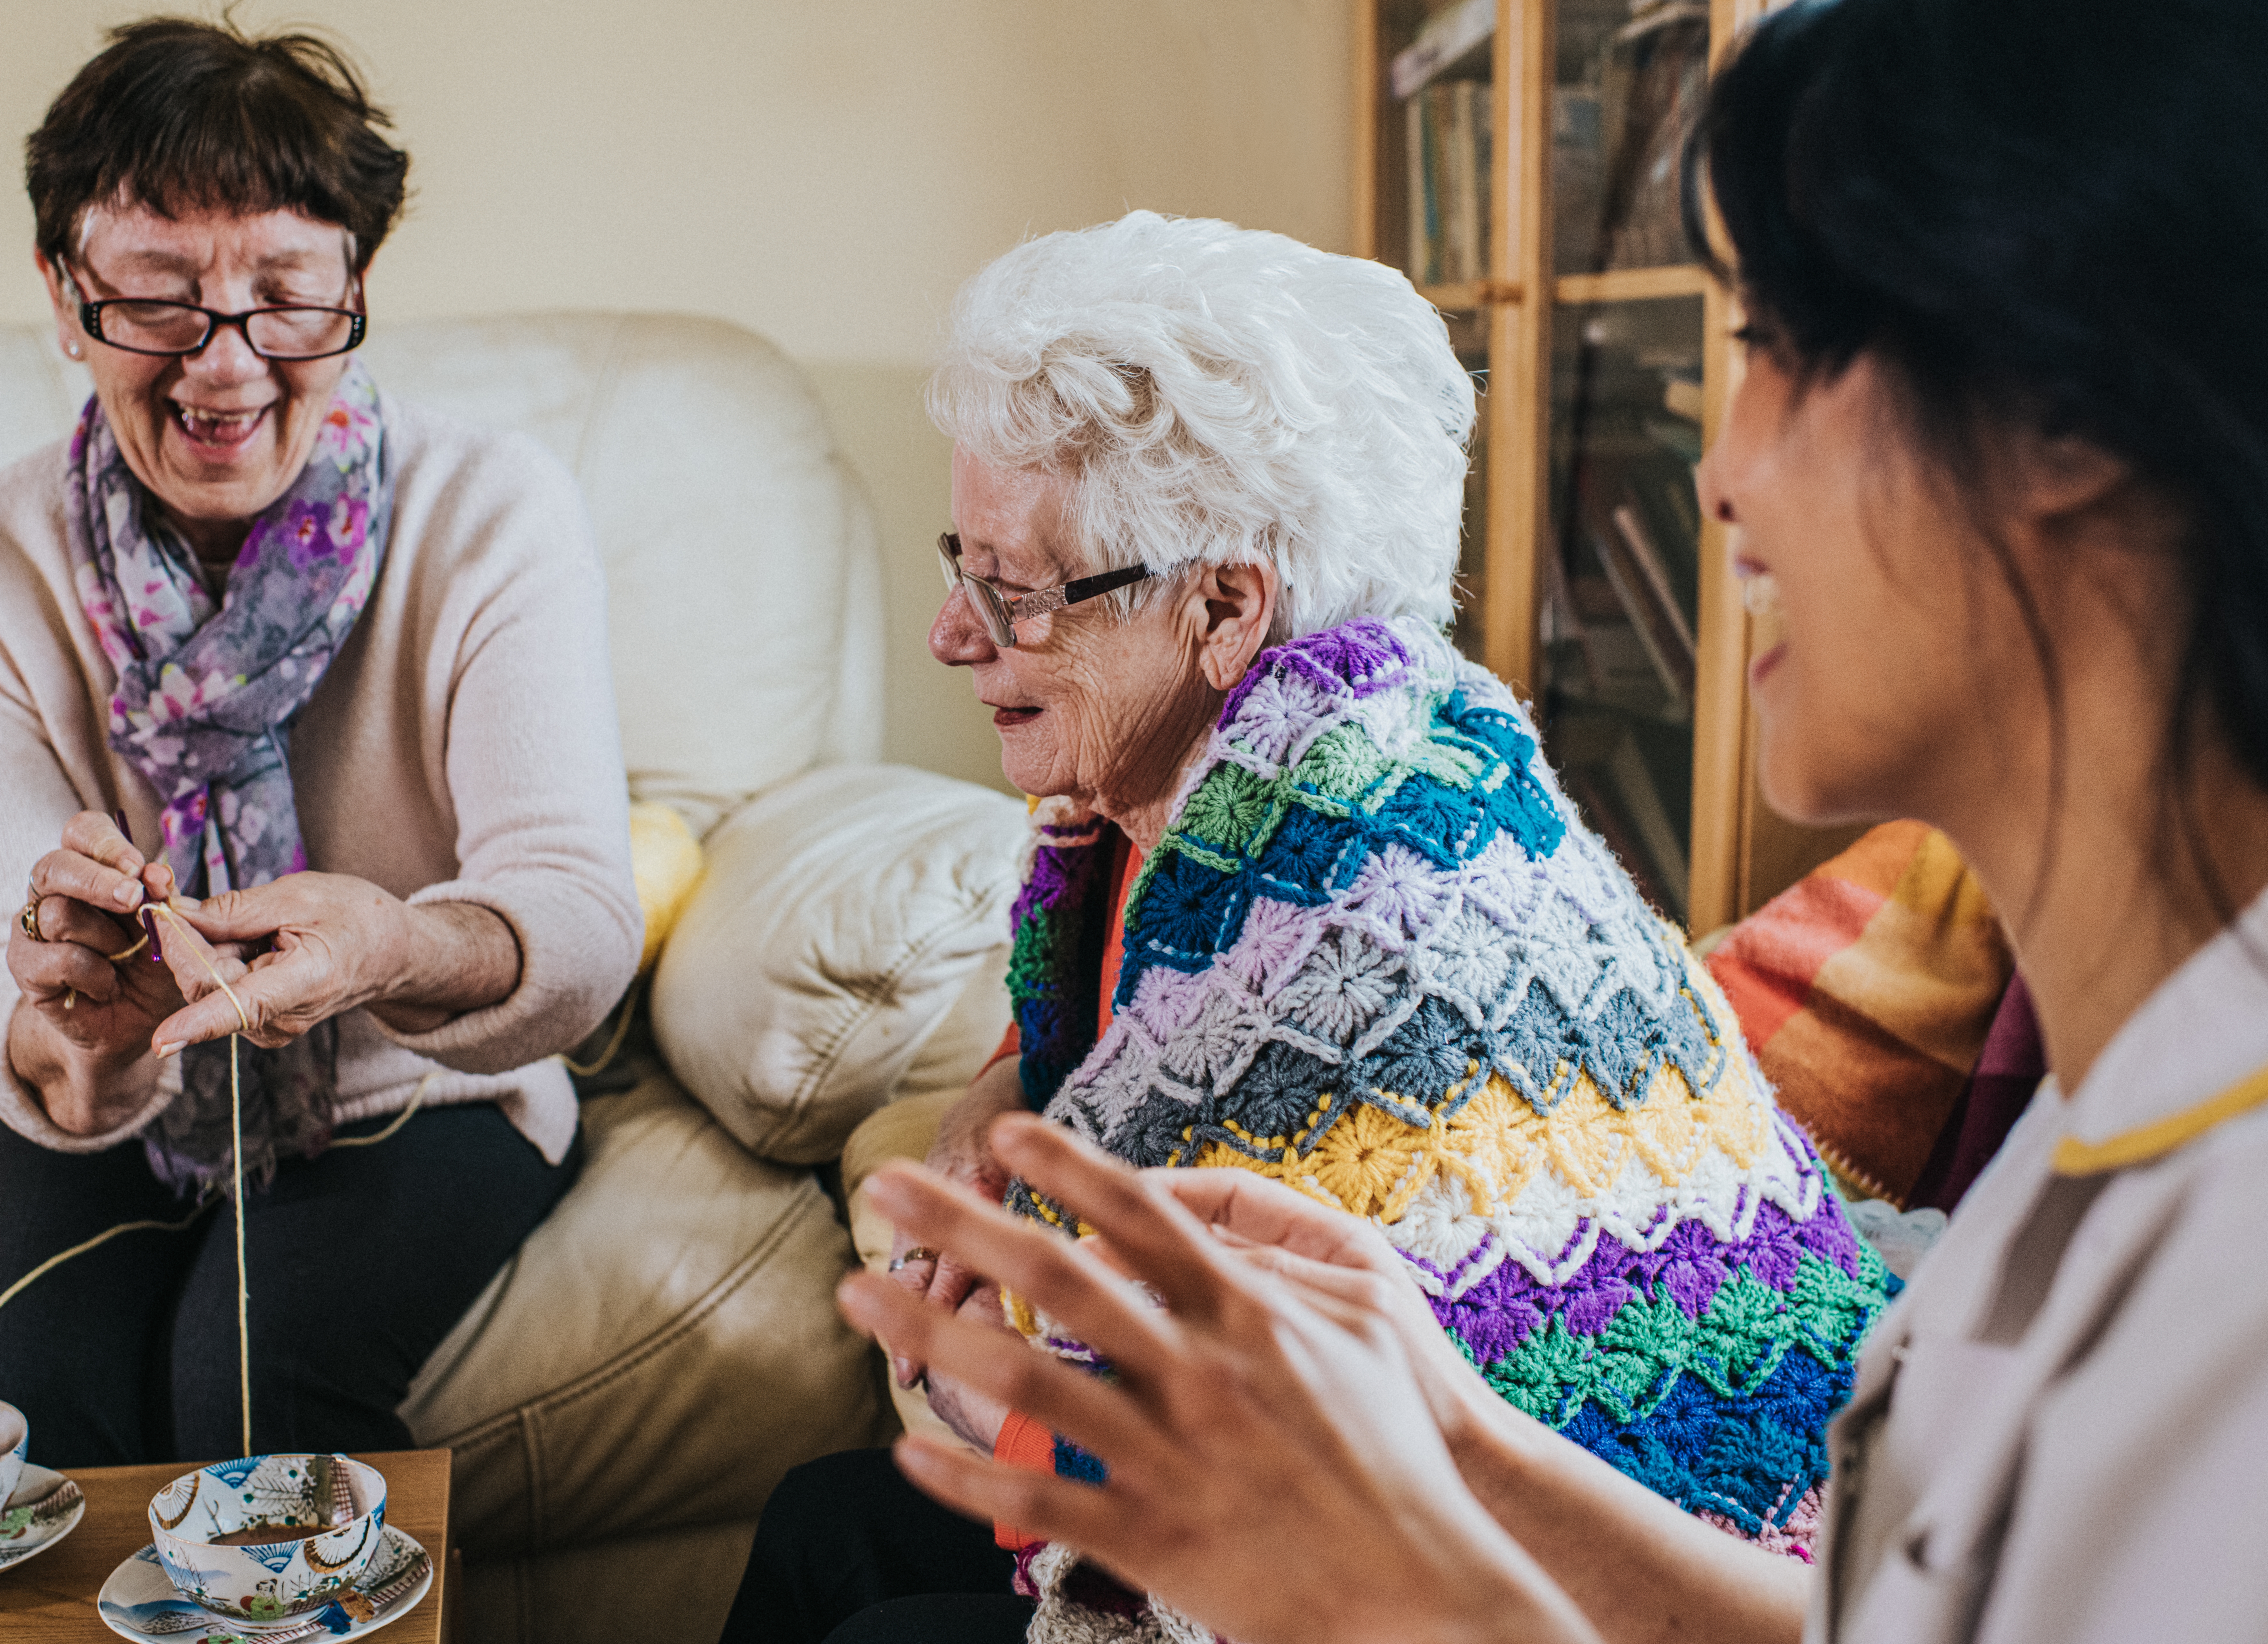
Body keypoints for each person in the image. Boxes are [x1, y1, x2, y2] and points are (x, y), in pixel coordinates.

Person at [841, 0, 2268, 1639]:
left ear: (2070, 410)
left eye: (1784, 347)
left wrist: (1430, 1558)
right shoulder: (2123, 1116)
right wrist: (1447, 1439)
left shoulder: (2215, 1276)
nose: (1717, 473)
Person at [724, 212, 1890, 1644]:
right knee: (817, 1522)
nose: (951, 635)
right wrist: (995, 1101)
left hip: (1508, 1590)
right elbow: (1102, 1046)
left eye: (1011, 593)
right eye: (960, 568)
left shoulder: (1365, 900)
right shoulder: (1158, 809)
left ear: (1223, 605)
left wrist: (996, 1403)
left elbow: (1283, 1493)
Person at [0, 18, 639, 1466]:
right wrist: (77, 1030)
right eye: (157, 300)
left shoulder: (495, 511)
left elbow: (580, 911)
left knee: (249, 1398)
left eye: (286, 297)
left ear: (356, 288)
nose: (226, 369)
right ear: (63, 294)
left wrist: (396, 947)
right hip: (104, 1103)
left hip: (414, 1083)